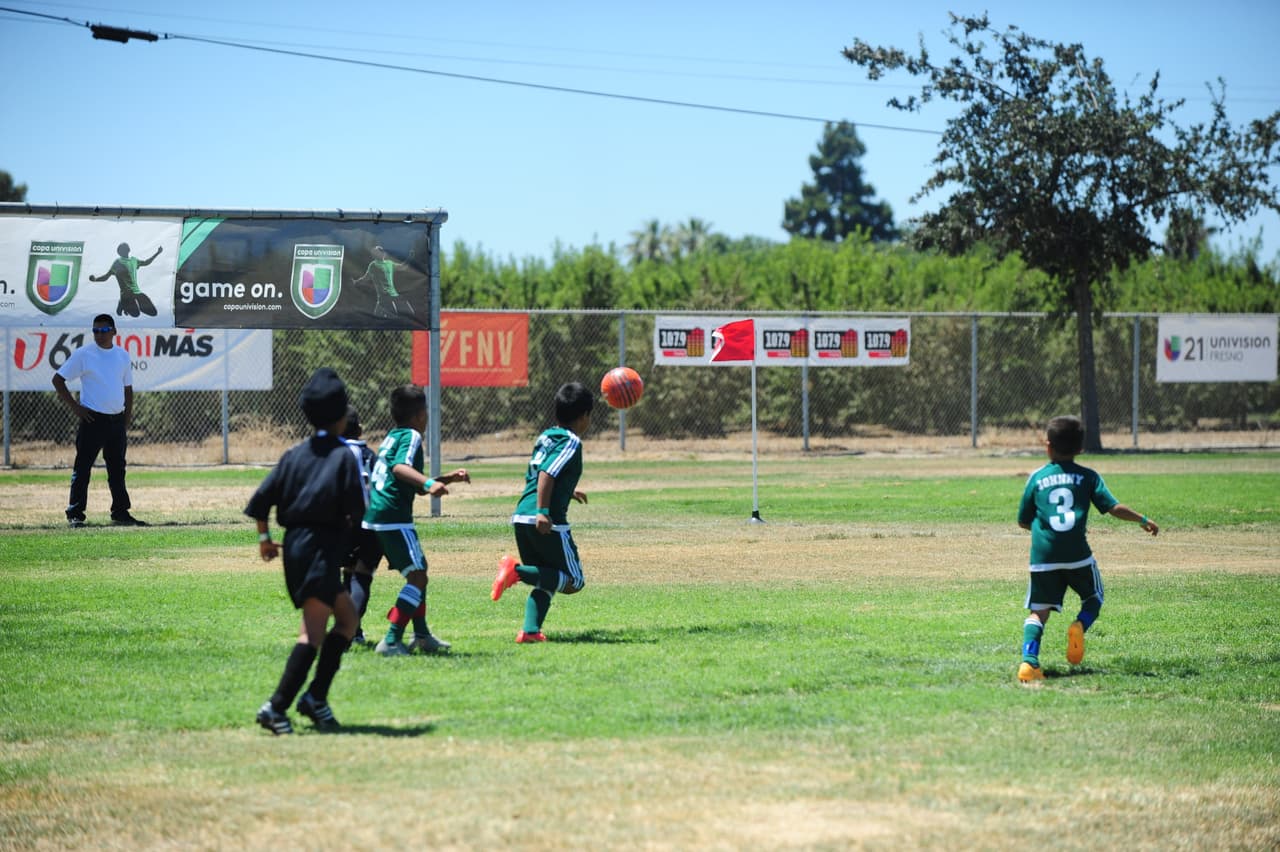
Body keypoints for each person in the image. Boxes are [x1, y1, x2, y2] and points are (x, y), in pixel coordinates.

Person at [245, 368, 366, 734]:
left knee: (347, 621)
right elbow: (357, 511)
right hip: (320, 549)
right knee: (311, 634)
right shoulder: (344, 457)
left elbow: (259, 502)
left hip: (300, 545)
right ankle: (276, 707)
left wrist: (265, 539)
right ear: (342, 416)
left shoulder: (293, 455)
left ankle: (315, 697)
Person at [1016, 415, 1159, 682]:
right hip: (1077, 556)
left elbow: (1023, 520)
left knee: (1038, 612)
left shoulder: (1036, 478)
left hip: (1043, 558)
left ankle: (1029, 664)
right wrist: (1142, 519)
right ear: (1080, 448)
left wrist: (1044, 532)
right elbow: (1113, 507)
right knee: (1093, 598)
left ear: (1048, 446)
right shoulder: (1088, 477)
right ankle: (1080, 625)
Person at [362, 384, 470, 656]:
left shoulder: (393, 436)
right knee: (418, 577)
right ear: (421, 415)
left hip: (376, 515)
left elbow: (413, 482)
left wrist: (445, 479)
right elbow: (400, 469)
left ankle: (421, 635)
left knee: (418, 573)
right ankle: (391, 639)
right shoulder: (411, 436)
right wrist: (431, 482)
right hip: (393, 516)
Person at [491, 381, 593, 643]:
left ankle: (530, 631)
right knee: (573, 581)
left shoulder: (546, 436)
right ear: (584, 416)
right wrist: (544, 511)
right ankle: (516, 570)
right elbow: (547, 472)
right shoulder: (571, 442)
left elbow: (543, 472)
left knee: (548, 577)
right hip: (545, 519)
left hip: (521, 516)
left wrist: (568, 491)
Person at [52, 313, 144, 527]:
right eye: (95, 331)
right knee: (82, 468)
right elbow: (58, 380)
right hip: (93, 420)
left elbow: (127, 389)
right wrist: (76, 408)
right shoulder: (84, 354)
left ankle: (120, 512)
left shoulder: (122, 355)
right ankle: (75, 514)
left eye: (103, 331)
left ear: (114, 331)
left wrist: (126, 419)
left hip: (116, 421)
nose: (99, 335)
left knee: (117, 469)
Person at [339, 405, 382, 645]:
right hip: (369, 524)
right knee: (361, 577)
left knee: (347, 574)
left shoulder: (334, 453)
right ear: (360, 429)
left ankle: (350, 631)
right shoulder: (370, 455)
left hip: (341, 525)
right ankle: (352, 631)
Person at [89, 242, 161, 318]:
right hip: (126, 294)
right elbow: (106, 277)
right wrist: (95, 279)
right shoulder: (117, 263)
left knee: (153, 313)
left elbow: (146, 262)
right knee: (136, 314)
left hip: (137, 292)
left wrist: (157, 253)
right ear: (120, 252)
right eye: (123, 249)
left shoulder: (134, 260)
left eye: (126, 247)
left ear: (129, 249)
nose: (126, 249)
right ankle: (122, 303)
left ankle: (131, 306)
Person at [352, 245, 417, 319]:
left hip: (394, 296)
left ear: (383, 254)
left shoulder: (390, 263)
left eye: (380, 252)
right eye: (376, 253)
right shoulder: (373, 265)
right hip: (384, 298)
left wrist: (410, 258)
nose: (378, 254)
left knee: (408, 313)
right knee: (380, 317)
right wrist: (357, 281)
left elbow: (403, 267)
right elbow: (365, 278)